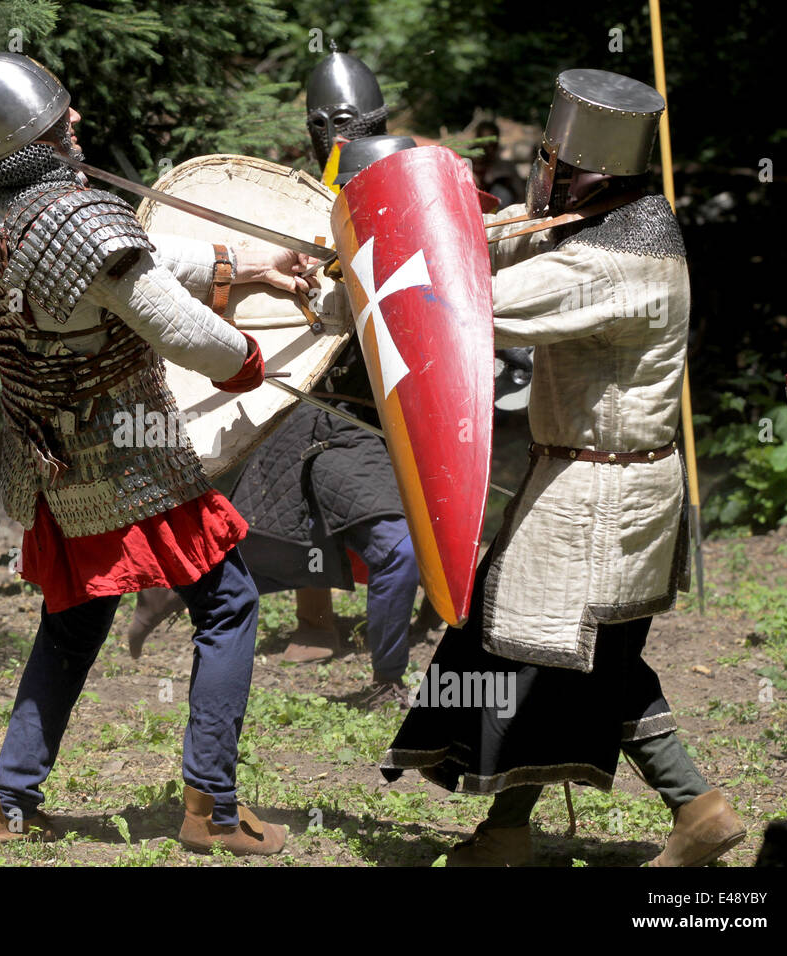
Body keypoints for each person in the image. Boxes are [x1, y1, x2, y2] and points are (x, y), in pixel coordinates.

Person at [380, 69, 745, 867]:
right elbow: (518, 239)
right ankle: (532, 827)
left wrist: (384, 261)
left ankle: (674, 811)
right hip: (597, 485)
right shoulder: (627, 220)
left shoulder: (610, 263)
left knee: (543, 651)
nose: (541, 175)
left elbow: (467, 307)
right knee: (566, 656)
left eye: (552, 162)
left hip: (600, 495)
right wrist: (462, 220)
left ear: (590, 173)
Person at [0, 51, 310, 855]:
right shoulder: (73, 217)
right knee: (229, 604)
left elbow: (136, 266)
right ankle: (212, 807)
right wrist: (249, 359)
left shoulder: (4, 223)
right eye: (60, 117)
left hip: (59, 464)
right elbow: (178, 327)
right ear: (33, 137)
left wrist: (247, 264)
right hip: (128, 456)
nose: (74, 121)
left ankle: (11, 799)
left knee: (74, 622)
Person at [128, 51, 422, 712]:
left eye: (351, 121)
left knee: (396, 549)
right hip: (295, 407)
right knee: (259, 545)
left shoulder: (401, 195)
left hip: (368, 416)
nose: (337, 134)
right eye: (326, 123)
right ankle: (174, 586)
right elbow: (228, 284)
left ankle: (386, 677)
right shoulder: (290, 210)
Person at [470, 119, 525, 209]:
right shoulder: (467, 165)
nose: (489, 148)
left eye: (492, 144)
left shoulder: (506, 168)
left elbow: (521, 195)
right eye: (485, 143)